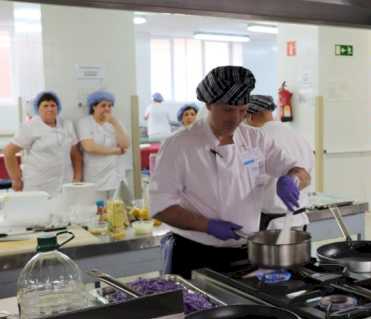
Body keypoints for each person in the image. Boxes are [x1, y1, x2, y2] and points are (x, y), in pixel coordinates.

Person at [150, 66, 311, 278]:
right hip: (195, 254)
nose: (235, 118)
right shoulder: (179, 145)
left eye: (242, 110)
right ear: (208, 105)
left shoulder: (255, 138)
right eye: (227, 109)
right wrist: (207, 226)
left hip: (246, 253)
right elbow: (160, 207)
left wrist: (293, 179)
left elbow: (301, 172)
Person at [242, 94, 315, 229]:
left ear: (250, 116)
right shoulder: (298, 136)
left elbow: (249, 181)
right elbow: (307, 174)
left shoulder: (257, 139)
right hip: (299, 219)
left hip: (271, 224)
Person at [3, 91, 82, 195]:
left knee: (62, 210)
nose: (50, 109)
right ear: (38, 109)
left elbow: (75, 154)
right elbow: (9, 152)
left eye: (53, 105)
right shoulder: (30, 127)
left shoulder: (67, 125)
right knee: (38, 210)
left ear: (58, 108)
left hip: (65, 183)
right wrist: (16, 179)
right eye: (45, 106)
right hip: (38, 184)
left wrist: (77, 177)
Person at [77, 90, 130, 199]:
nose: (107, 109)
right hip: (96, 177)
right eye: (103, 105)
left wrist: (114, 123)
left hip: (116, 176)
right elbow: (89, 147)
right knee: (98, 212)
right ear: (94, 107)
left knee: (118, 212)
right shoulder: (85, 123)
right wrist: (115, 151)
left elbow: (125, 144)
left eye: (110, 106)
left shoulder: (115, 122)